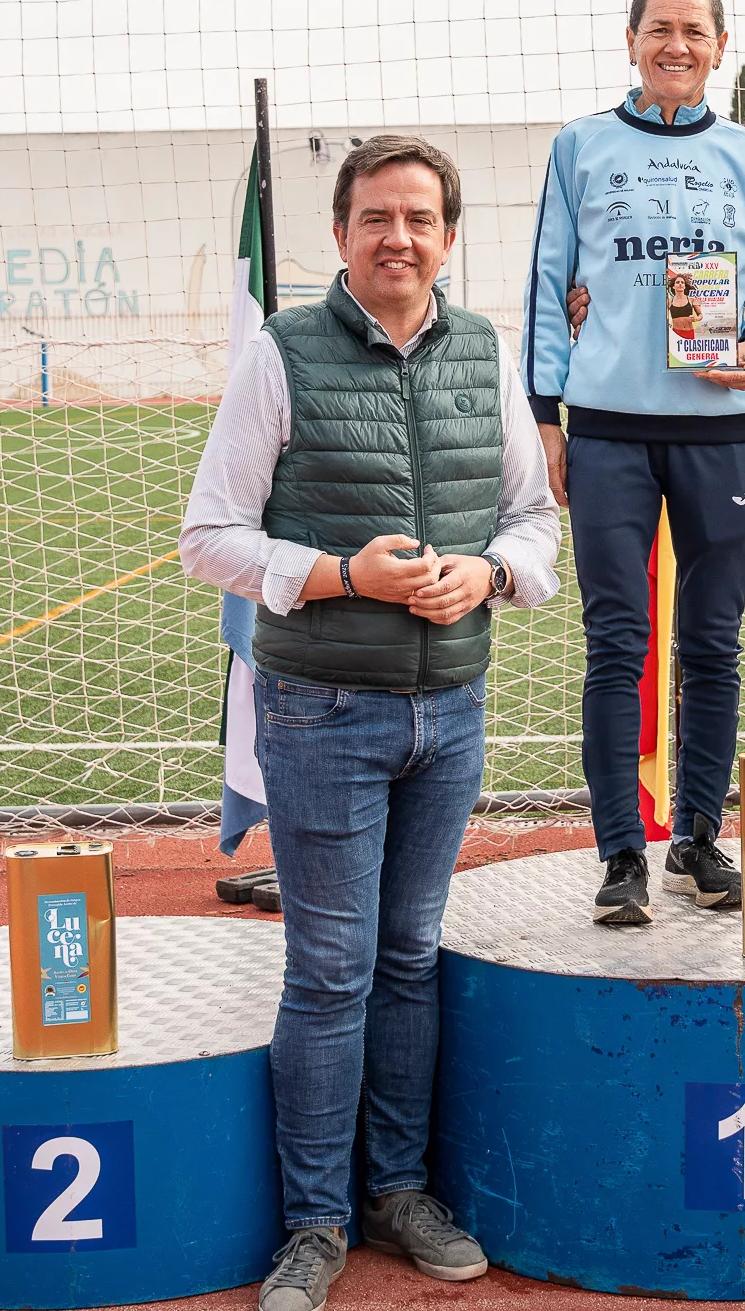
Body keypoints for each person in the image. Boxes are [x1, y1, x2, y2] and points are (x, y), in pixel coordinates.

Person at [179, 135, 562, 1311]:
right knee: (332, 966)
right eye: (376, 217)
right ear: (340, 234)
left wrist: (487, 577)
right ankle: (314, 1220)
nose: (400, 237)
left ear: (449, 235)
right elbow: (209, 538)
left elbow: (535, 523)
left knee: (409, 957)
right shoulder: (280, 355)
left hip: (449, 707)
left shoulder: (486, 348)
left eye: (421, 218)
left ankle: (397, 1188)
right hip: (317, 706)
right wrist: (348, 573)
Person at [528, 0, 745, 925]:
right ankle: (618, 855)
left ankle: (696, 842)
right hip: (607, 433)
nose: (676, 46)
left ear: (720, 47)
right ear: (631, 41)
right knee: (617, 643)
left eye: (695, 31)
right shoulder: (580, 147)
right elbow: (549, 279)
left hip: (719, 430)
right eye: (659, 29)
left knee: (713, 643)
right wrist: (548, 418)